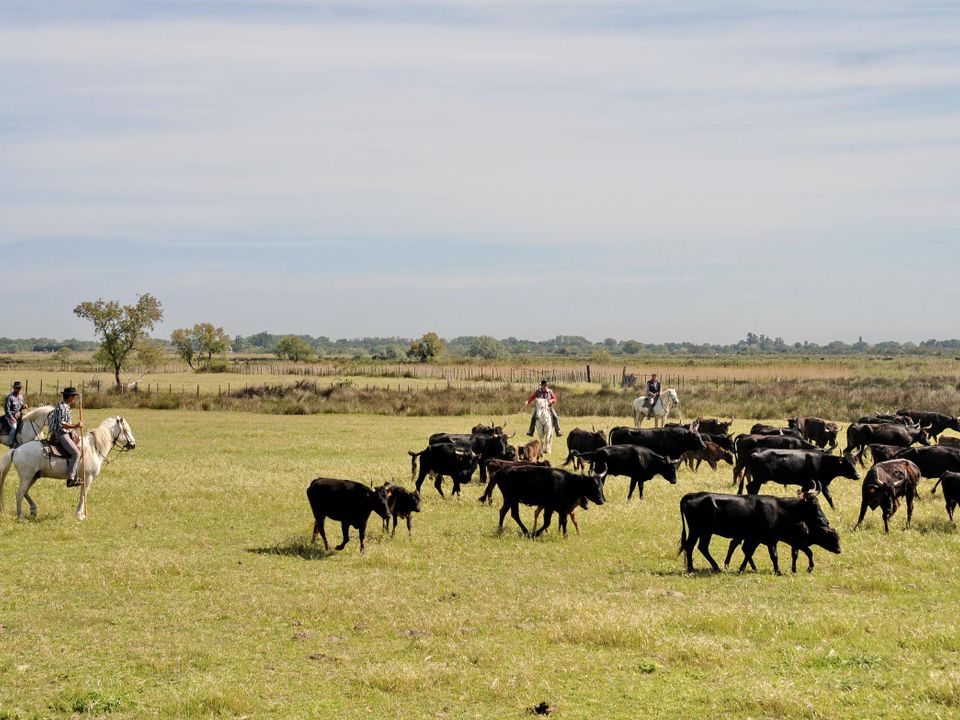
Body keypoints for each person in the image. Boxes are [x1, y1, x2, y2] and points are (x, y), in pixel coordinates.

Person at [48, 386, 84, 488]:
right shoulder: (62, 407)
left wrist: (73, 430)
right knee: (76, 453)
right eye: (74, 396)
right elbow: (62, 424)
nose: (75, 399)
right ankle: (71, 479)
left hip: (67, 431)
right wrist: (76, 426)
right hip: (60, 433)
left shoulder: (65, 405)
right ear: (70, 397)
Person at [4, 381, 28, 447]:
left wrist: (24, 406)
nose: (19, 389)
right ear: (14, 388)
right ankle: (11, 443)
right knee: (14, 427)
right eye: (17, 388)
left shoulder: (21, 396)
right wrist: (12, 418)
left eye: (20, 388)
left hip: (19, 415)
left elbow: (21, 406)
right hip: (10, 416)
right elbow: (6, 410)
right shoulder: (9, 397)